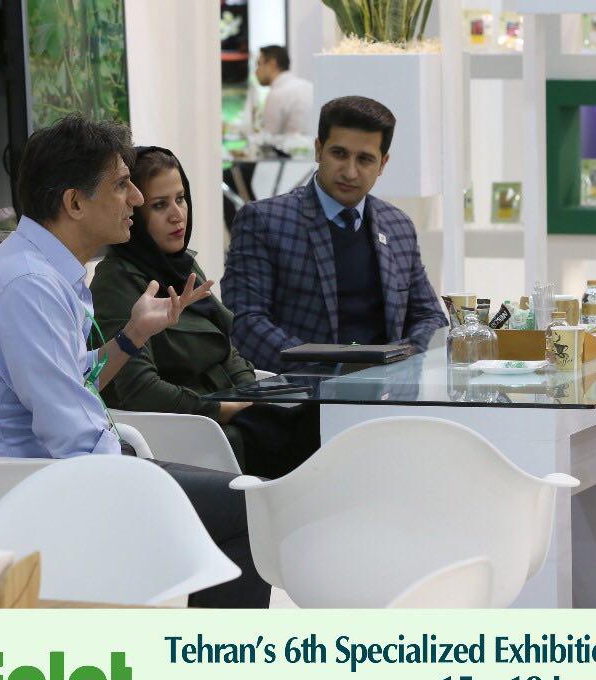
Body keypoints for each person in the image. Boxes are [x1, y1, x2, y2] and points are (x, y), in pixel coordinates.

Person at [0, 116, 271, 608]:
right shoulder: (29, 288)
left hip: (55, 477)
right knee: (253, 507)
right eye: (121, 185)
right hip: (50, 493)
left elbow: (71, 383)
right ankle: (213, 658)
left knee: (242, 493)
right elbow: (74, 436)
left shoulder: (35, 271)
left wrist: (133, 336)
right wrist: (142, 482)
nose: (136, 198)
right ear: (74, 203)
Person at [89, 146, 318, 479]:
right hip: (190, 436)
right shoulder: (116, 282)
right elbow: (140, 389)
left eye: (181, 199)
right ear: (133, 211)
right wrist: (223, 409)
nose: (177, 215)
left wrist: (250, 395)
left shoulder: (180, 266)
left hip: (227, 418)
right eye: (159, 205)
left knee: (318, 422)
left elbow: (226, 348)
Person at [222, 95, 448, 372]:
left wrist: (396, 361)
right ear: (319, 150)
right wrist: (334, 371)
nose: (350, 172)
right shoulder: (265, 220)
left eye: (365, 159)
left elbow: (430, 317)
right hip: (301, 392)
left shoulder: (398, 225)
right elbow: (245, 323)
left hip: (387, 389)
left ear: (382, 164)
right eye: (339, 154)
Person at [239, 45, 314, 137]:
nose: (256, 72)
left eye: (259, 64)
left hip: (292, 146)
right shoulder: (308, 86)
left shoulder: (277, 94)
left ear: (272, 64)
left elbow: (268, 138)